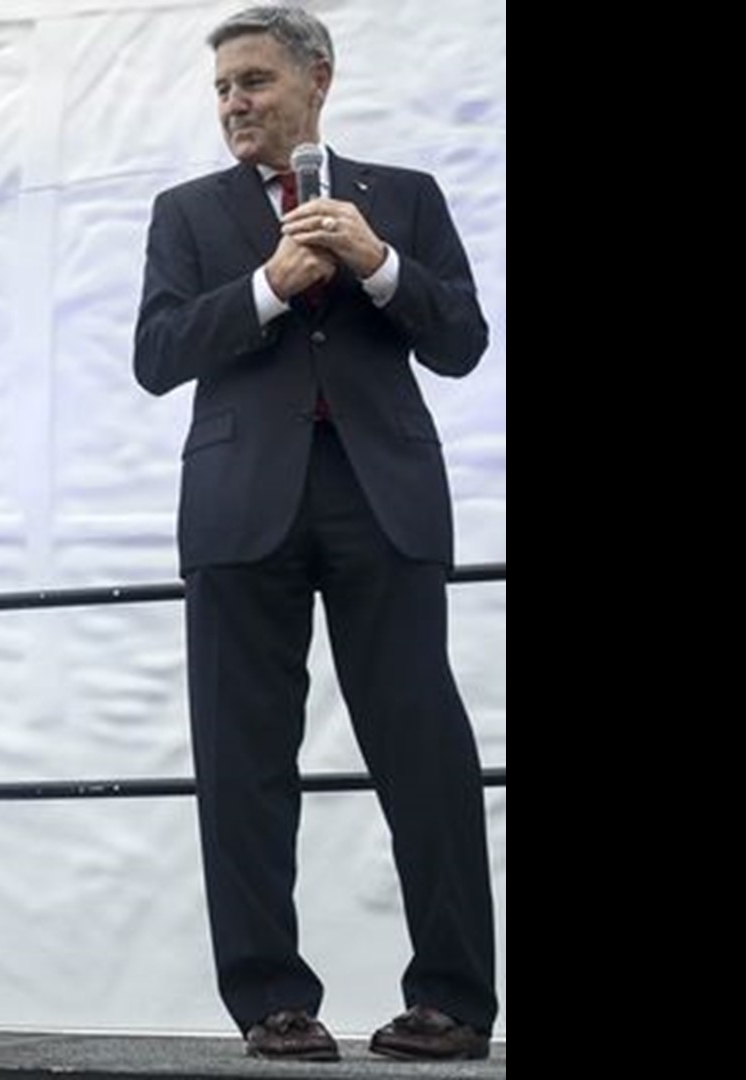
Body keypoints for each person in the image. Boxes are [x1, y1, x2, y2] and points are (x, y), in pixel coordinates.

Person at [132, 5, 497, 1062]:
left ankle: (456, 1003)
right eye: (222, 90)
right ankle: (272, 1003)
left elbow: (465, 341)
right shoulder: (187, 211)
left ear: (316, 80)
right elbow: (157, 354)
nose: (235, 104)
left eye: (252, 82)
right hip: (241, 507)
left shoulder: (407, 199)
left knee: (425, 750)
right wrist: (264, 287)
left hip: (385, 500)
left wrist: (381, 265)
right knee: (242, 760)